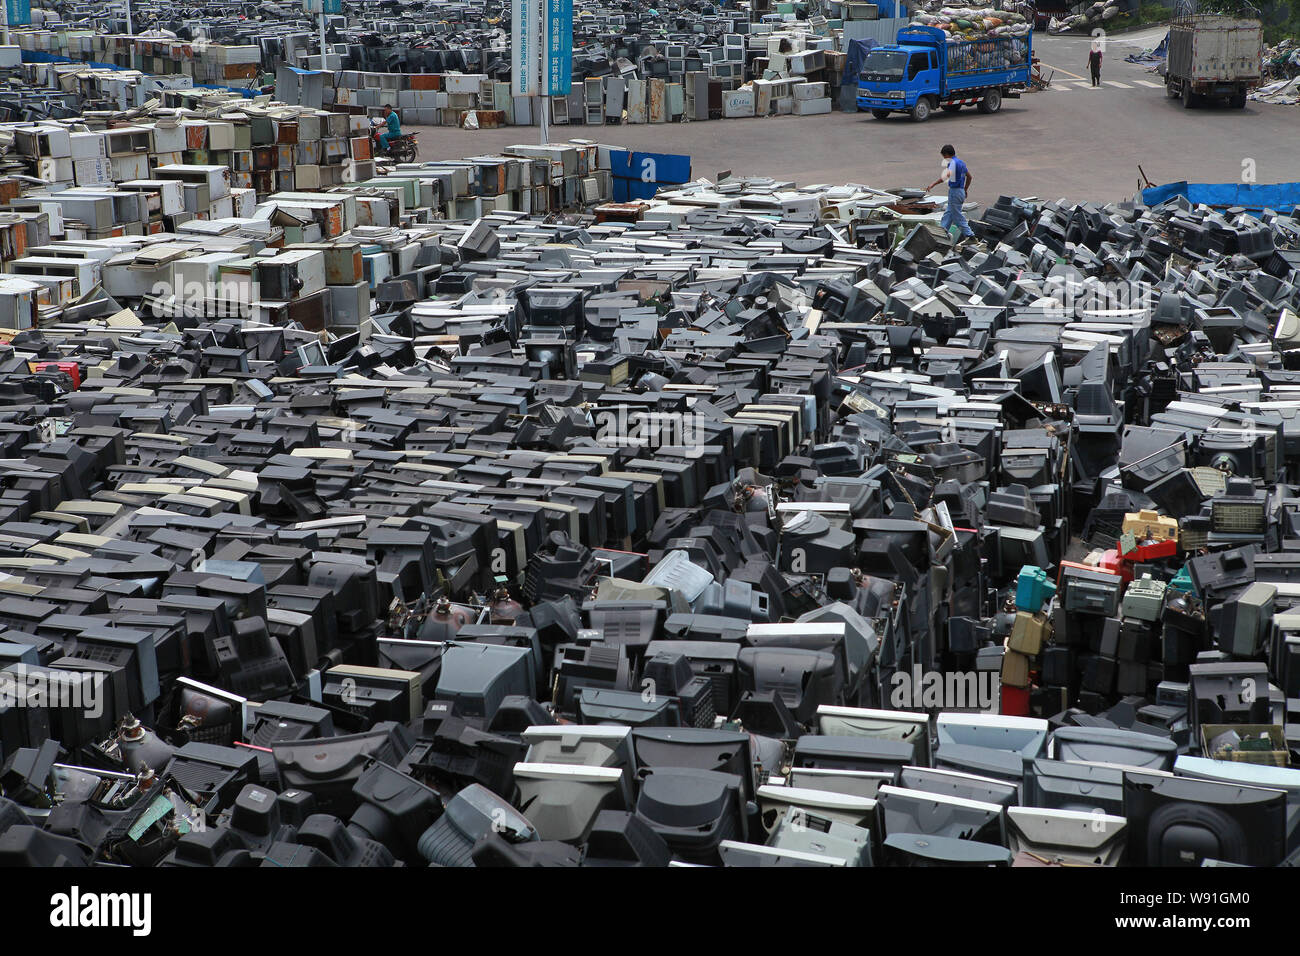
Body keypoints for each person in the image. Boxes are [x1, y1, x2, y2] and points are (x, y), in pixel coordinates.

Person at [927, 144, 974, 243]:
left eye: (944, 157)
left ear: (947, 155)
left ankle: (970, 236)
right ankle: (941, 234)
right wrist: (965, 189)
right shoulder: (961, 163)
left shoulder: (952, 163)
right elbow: (969, 177)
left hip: (955, 192)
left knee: (956, 216)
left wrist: (933, 184)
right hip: (960, 191)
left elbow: (946, 176)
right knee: (948, 214)